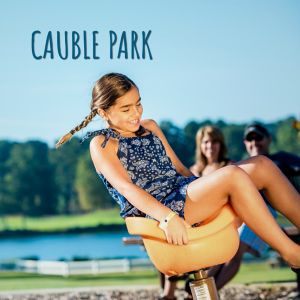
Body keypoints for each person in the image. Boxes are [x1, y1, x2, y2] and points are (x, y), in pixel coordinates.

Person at [56, 73, 300, 289]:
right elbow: (126, 188)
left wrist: (214, 196)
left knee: (262, 165)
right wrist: (168, 217)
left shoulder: (150, 126)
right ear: (103, 113)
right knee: (234, 175)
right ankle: (292, 255)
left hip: (185, 193)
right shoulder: (101, 143)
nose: (136, 113)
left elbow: (181, 170)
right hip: (162, 211)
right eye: (126, 109)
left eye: (138, 104)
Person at [206, 123, 300, 290]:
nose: (254, 142)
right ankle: (200, 291)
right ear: (245, 144)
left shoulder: (280, 159)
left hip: (264, 211)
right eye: (250, 139)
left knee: (235, 251)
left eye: (258, 138)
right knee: (223, 251)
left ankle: (209, 293)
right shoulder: (244, 165)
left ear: (268, 140)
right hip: (238, 212)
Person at [161, 125, 236, 300]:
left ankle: (195, 292)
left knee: (213, 250)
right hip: (196, 223)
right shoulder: (193, 171)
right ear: (200, 146)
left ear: (221, 144)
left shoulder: (230, 167)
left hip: (221, 221)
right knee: (172, 240)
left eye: (215, 141)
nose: (210, 146)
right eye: (206, 142)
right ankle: (168, 294)